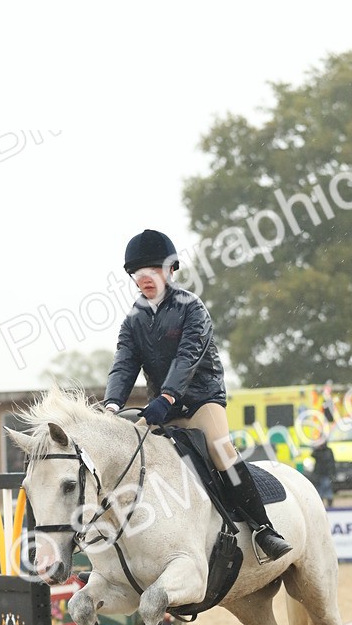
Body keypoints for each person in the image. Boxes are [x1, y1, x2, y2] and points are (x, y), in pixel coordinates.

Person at [103, 228, 291, 561]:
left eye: (153, 269)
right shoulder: (133, 321)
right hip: (164, 406)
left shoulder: (192, 308)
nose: (144, 277)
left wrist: (166, 398)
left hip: (202, 400)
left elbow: (186, 359)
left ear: (170, 270)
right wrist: (112, 405)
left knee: (221, 450)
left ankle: (263, 529)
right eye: (138, 272)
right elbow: (124, 364)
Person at [305, 439, 336, 507]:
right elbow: (313, 455)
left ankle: (329, 503)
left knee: (327, 488)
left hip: (326, 473)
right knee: (320, 489)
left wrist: (332, 473)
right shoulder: (318, 452)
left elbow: (331, 462)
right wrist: (317, 448)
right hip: (319, 474)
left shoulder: (328, 451)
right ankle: (321, 503)